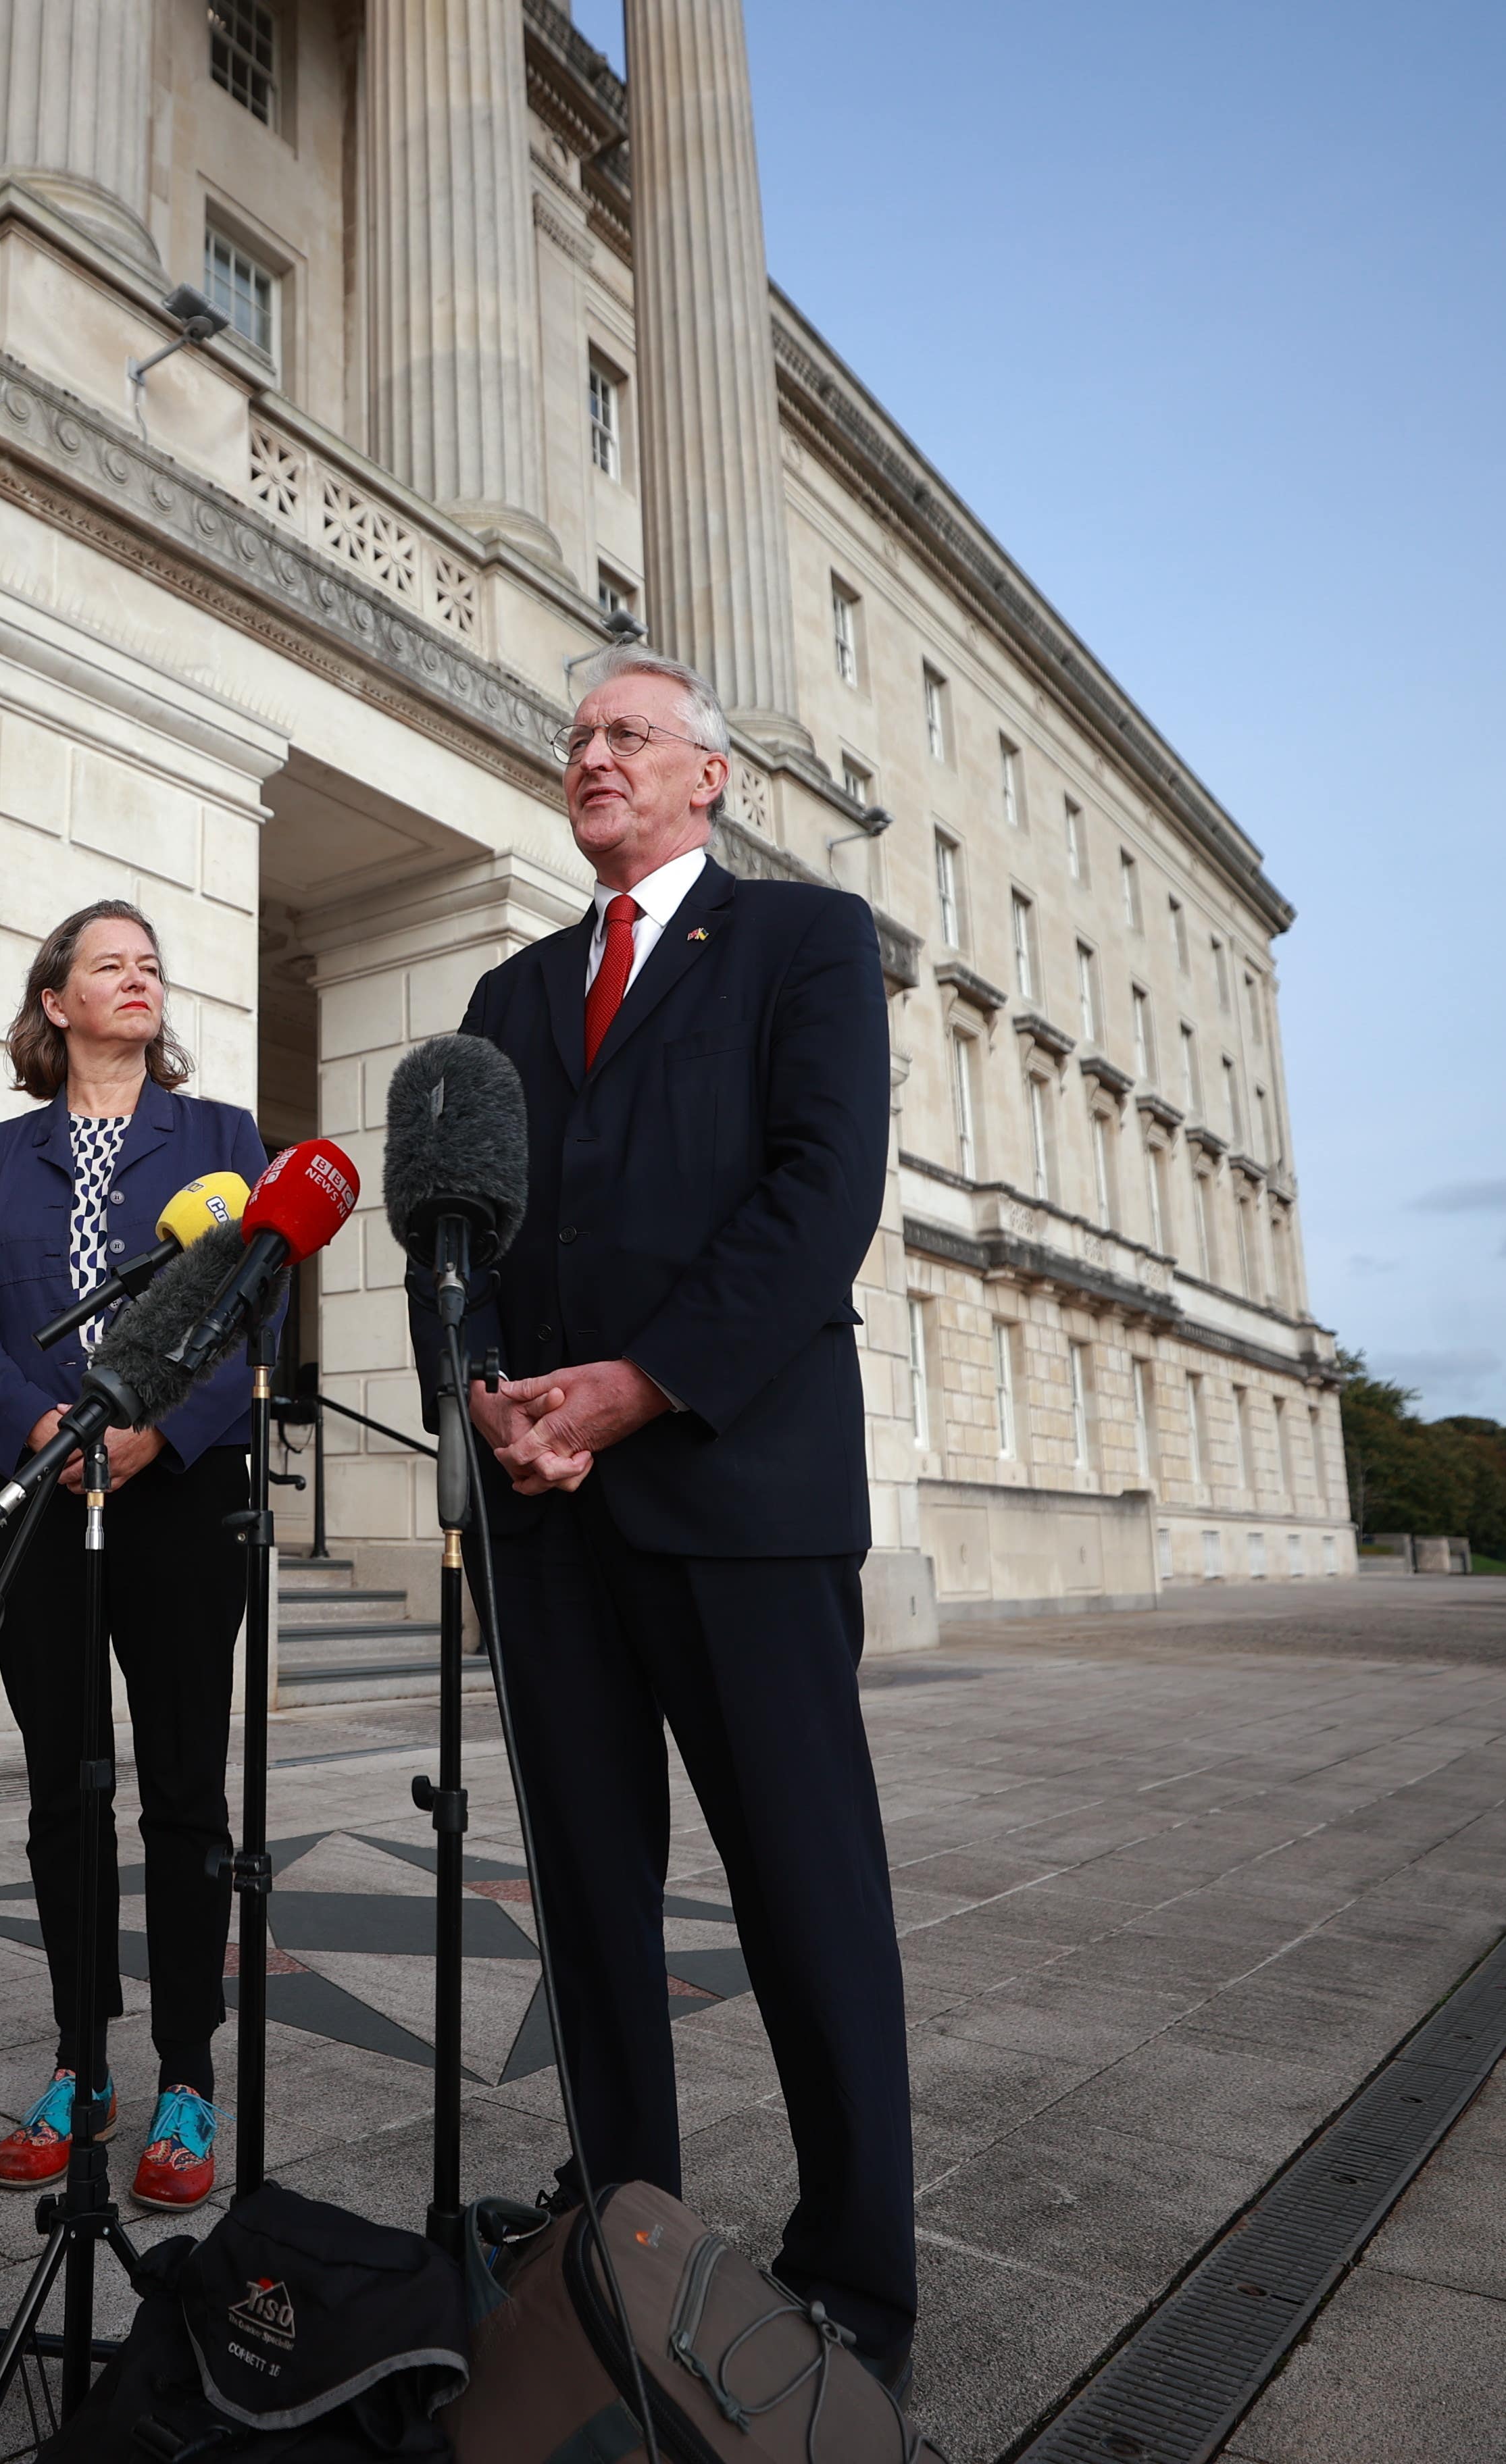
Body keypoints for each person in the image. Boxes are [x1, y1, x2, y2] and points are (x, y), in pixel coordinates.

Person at [424, 648, 912, 2389]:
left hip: (741, 1496)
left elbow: (819, 1196)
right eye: (576, 741)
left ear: (710, 775)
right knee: (589, 1901)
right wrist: (489, 1393)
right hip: (552, 1518)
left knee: (805, 1890)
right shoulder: (508, 992)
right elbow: (463, 1240)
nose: (592, 759)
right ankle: (625, 2226)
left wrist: (642, 1386)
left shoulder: (805, 942)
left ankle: (857, 2268)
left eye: (627, 734)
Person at [0, 898, 271, 2212]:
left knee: (184, 1788)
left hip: (181, 1499)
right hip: (33, 1499)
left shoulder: (225, 1142)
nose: (139, 980)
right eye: (107, 965)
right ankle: (84, 2062)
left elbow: (254, 1314)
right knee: (65, 1789)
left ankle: (188, 2071)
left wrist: (153, 1433)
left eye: (152, 967)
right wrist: (35, 1430)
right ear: (55, 1003)